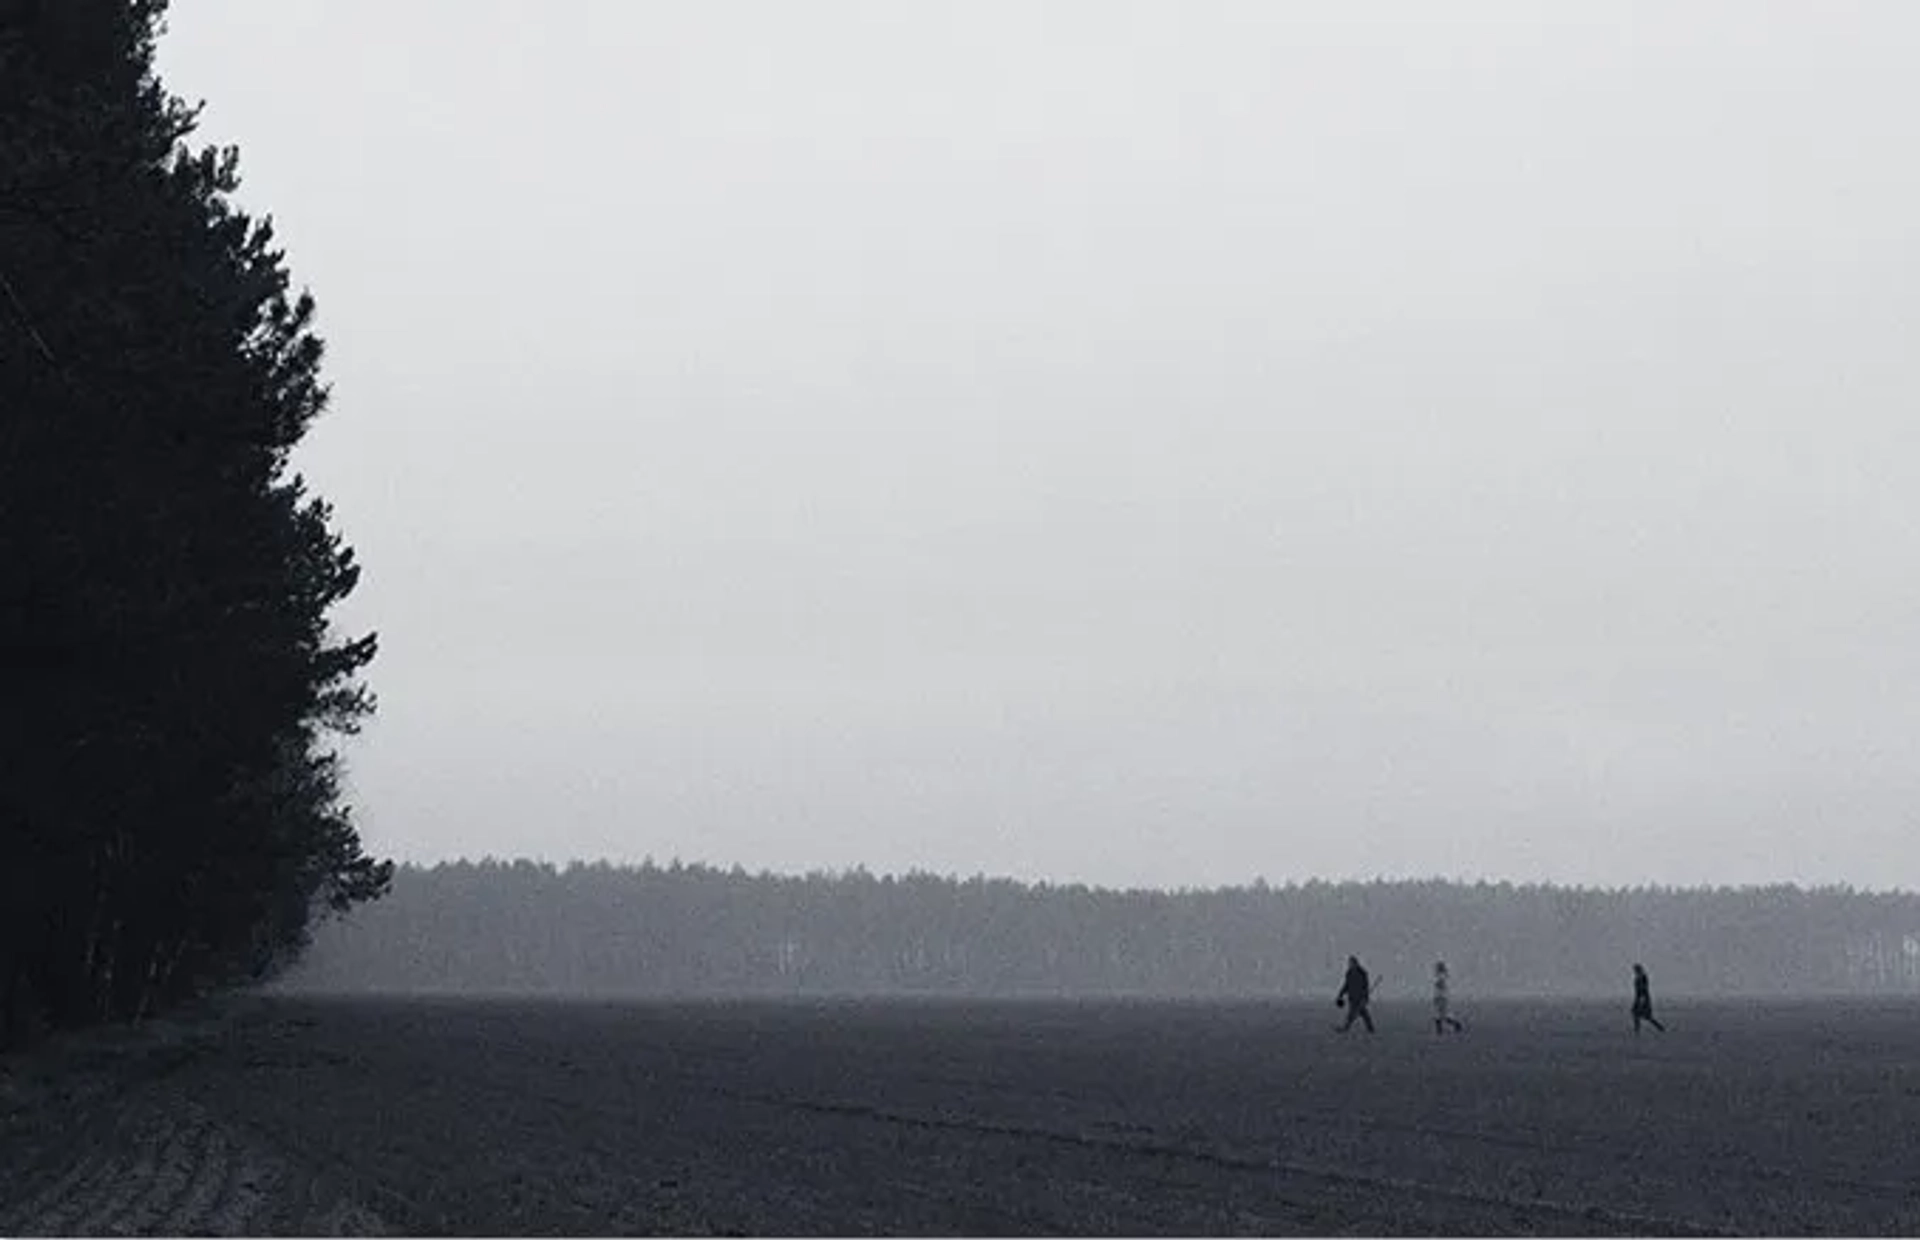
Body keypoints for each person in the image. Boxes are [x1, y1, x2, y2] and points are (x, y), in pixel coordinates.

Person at [1335, 955, 1374, 1033]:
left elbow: (1365, 986)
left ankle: (1345, 1028)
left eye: (1351, 963)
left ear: (1355, 963)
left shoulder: (1362, 973)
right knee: (1360, 1014)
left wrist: (1366, 997)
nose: (1350, 964)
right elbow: (1346, 985)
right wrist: (1340, 994)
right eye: (1349, 963)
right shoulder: (1349, 973)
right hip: (1352, 998)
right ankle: (1370, 1029)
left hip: (1360, 998)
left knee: (1357, 1014)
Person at [1631, 962, 1666, 1034]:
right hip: (1639, 998)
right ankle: (1637, 1030)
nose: (1635, 971)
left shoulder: (1642, 977)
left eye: (1636, 970)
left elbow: (1644, 988)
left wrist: (1642, 999)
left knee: (1646, 1016)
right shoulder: (1638, 978)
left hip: (1643, 998)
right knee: (1636, 1014)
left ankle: (1660, 1028)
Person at [1432, 960, 1465, 1034]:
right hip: (1441, 997)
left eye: (1437, 968)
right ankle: (1441, 1030)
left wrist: (1438, 997)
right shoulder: (1442, 976)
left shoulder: (1441, 977)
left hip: (1441, 998)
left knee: (1441, 1015)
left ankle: (1456, 1026)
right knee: (1441, 1015)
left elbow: (1440, 987)